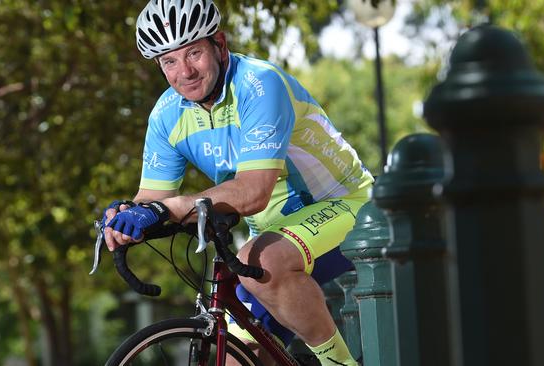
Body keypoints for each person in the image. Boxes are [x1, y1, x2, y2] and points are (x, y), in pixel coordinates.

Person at [102, 1, 374, 365]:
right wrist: (125, 217)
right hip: (273, 232)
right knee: (234, 358)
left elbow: (254, 191)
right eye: (169, 61)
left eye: (193, 53)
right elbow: (154, 198)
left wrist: (170, 208)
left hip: (347, 206)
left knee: (263, 261)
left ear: (220, 44)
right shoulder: (167, 116)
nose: (184, 71)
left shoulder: (259, 84)